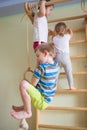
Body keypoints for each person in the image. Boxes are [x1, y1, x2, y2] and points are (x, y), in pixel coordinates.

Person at [11, 43, 59, 120]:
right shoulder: (56, 65)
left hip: (42, 100)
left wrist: (37, 66)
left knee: (23, 84)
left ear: (45, 53)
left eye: (38, 56)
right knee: (31, 89)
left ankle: (27, 112)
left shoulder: (42, 68)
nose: (37, 59)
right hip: (48, 99)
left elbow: (33, 83)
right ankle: (24, 107)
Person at [52, 22, 76, 90]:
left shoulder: (54, 38)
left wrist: (54, 33)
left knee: (55, 73)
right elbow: (71, 34)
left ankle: (53, 87)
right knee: (69, 72)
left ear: (56, 30)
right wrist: (69, 29)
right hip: (65, 57)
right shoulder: (67, 36)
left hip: (57, 57)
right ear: (64, 30)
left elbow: (53, 35)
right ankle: (71, 86)